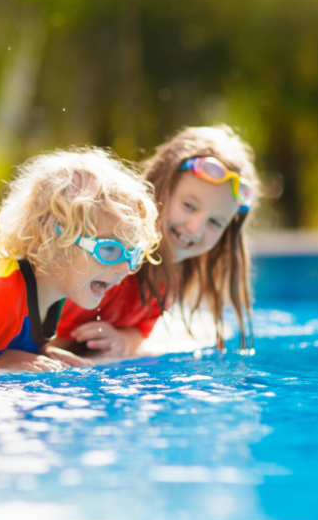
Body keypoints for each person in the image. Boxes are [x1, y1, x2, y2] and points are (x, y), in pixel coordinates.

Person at [0, 148, 160, 372]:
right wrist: (3, 361)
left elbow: (6, 339)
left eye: (133, 255)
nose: (126, 268)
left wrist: (46, 352)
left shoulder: (50, 296)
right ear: (55, 238)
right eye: (110, 250)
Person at [52, 125, 259, 358]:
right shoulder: (107, 253)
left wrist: (122, 339)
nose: (196, 228)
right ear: (157, 187)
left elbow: (141, 329)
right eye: (188, 206)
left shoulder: (169, 275)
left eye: (215, 223)